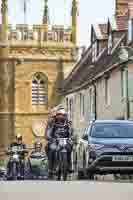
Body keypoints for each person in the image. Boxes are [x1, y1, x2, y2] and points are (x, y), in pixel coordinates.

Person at [46, 108, 73, 177]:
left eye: (62, 115)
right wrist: (49, 137)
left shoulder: (68, 122)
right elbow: (48, 131)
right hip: (55, 140)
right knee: (51, 149)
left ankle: (69, 166)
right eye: (59, 115)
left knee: (70, 147)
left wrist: (71, 137)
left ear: (64, 115)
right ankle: (51, 167)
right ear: (56, 115)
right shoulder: (51, 122)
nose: (60, 117)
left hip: (65, 140)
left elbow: (71, 131)